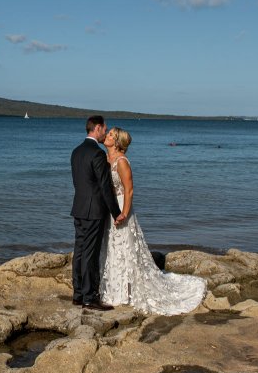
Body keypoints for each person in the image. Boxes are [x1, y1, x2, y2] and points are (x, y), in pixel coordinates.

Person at [99, 127, 207, 315]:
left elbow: (129, 190)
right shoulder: (105, 159)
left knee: (125, 247)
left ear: (116, 142)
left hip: (121, 207)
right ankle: (115, 287)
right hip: (109, 208)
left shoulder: (122, 162)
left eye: (110, 135)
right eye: (107, 134)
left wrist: (123, 213)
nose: (106, 136)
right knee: (111, 247)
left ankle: (128, 291)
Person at [70, 116, 124, 311]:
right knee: (90, 255)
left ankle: (77, 294)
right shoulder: (97, 154)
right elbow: (104, 187)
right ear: (98, 128)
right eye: (105, 129)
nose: (105, 133)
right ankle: (90, 298)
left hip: (79, 208)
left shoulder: (76, 152)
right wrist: (116, 212)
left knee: (80, 251)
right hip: (94, 211)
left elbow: (79, 183)